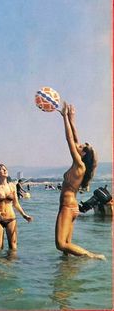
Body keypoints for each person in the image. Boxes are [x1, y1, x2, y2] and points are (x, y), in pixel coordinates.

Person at [55, 102, 105, 259]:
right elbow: (75, 138)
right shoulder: (81, 165)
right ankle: (67, 272)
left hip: (67, 206)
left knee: (61, 244)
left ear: (82, 154)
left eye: (81, 146)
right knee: (66, 248)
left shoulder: (79, 165)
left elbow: (70, 139)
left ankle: (92, 256)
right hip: (72, 206)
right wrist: (72, 118)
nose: (78, 145)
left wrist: (64, 118)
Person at [0, 164, 33, 251]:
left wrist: (24, 215)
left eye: (5, 169)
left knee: (13, 247)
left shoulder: (12, 186)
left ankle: (11, 264)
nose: (5, 170)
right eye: (2, 169)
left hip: (11, 219)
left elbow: (16, 203)